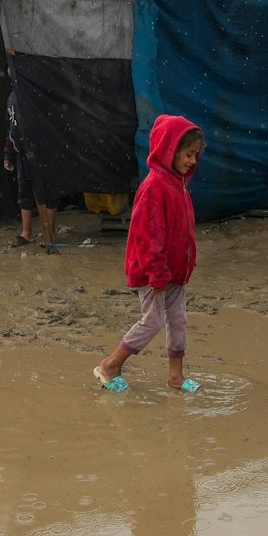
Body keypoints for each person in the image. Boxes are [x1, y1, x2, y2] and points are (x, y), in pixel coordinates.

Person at [95, 115, 203, 393]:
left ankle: (176, 377)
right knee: (153, 321)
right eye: (188, 154)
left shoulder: (179, 185)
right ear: (170, 151)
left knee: (178, 321)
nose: (193, 161)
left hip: (176, 272)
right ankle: (110, 365)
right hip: (153, 273)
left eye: (195, 155)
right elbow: (147, 237)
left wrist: (184, 266)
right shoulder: (154, 187)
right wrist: (157, 273)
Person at [2, 64, 58, 249]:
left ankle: (50, 234)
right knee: (24, 193)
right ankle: (26, 233)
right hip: (22, 154)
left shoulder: (36, 96)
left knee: (47, 192)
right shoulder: (12, 98)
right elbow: (12, 129)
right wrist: (8, 153)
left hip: (43, 154)